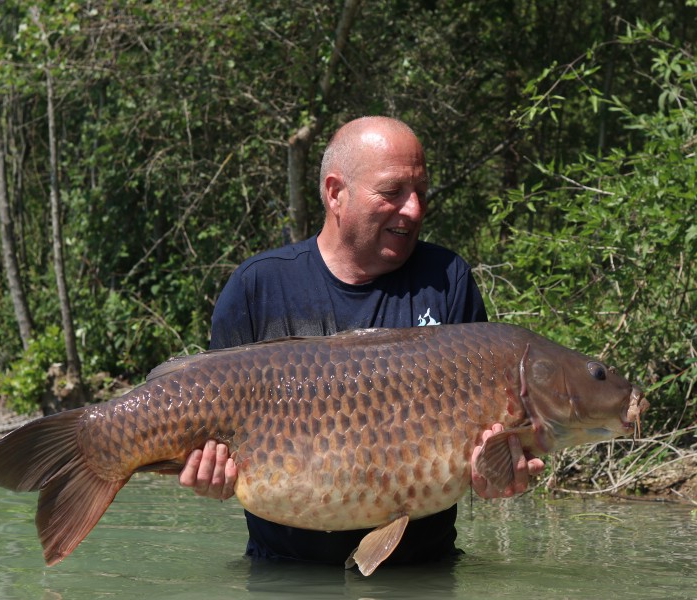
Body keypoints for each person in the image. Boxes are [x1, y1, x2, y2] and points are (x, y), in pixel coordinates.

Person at [179, 116, 545, 565]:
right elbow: (211, 450)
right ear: (336, 193)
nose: (413, 209)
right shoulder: (258, 287)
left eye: (421, 193)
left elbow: (485, 449)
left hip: (422, 574)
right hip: (284, 576)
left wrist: (497, 475)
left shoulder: (447, 280)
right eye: (393, 193)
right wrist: (206, 476)